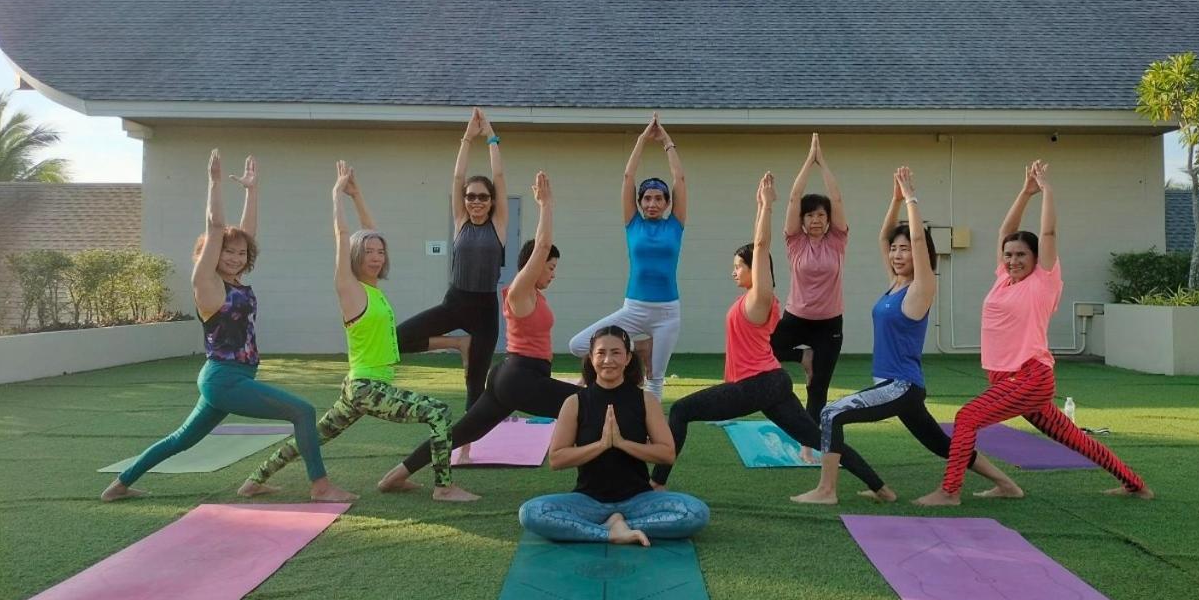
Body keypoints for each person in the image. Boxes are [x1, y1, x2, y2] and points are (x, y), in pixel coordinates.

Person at [102, 151, 355, 503]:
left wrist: (253, 191)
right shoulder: (207, 283)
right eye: (227, 252)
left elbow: (244, 235)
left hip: (231, 378)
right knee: (304, 411)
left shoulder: (235, 279)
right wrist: (215, 183)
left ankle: (119, 485)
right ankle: (321, 486)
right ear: (210, 255)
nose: (236, 257)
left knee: (183, 439)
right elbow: (216, 227)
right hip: (225, 378)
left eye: (240, 254)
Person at [915, 161, 1153, 506]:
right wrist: (1025, 192)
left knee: (967, 417)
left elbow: (1050, 234)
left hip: (1029, 376)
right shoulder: (1003, 279)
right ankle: (1135, 484)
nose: (1012, 260)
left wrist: (1047, 191)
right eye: (1009, 255)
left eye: (1021, 255)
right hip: (1006, 379)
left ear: (1037, 258)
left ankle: (949, 492)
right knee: (1072, 437)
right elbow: (1004, 231)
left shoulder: (1043, 281)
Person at [238, 161, 477, 502]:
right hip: (368, 387)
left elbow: (371, 230)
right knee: (438, 411)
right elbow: (343, 236)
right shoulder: (349, 289)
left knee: (317, 435)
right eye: (368, 252)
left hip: (361, 386)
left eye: (381, 252)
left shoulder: (374, 289)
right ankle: (443, 486)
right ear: (354, 256)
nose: (377, 257)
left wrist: (357, 194)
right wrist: (336, 195)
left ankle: (255, 479)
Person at [649, 172, 892, 500]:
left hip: (757, 383)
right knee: (816, 436)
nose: (733, 271)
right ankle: (881, 488)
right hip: (770, 383)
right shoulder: (748, 299)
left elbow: (761, 245)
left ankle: (656, 483)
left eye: (739, 265)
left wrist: (765, 207)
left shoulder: (759, 299)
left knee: (680, 411)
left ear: (756, 270)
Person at [792, 166, 1022, 505]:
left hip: (900, 386)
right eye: (895, 251)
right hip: (898, 386)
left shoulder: (921, 286)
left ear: (920, 255)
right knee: (940, 444)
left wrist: (912, 199)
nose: (898, 255)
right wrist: (895, 200)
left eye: (905, 250)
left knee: (831, 413)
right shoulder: (896, 284)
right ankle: (1007, 485)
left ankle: (826, 490)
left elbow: (916, 240)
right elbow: (884, 237)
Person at [380, 170, 579, 490]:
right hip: (522, 377)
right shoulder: (519, 291)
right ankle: (605, 484)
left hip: (510, 377)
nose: (553, 274)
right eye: (551, 268)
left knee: (464, 431)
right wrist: (546, 205)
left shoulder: (535, 295)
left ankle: (397, 475)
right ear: (535, 265)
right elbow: (542, 246)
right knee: (589, 406)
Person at [519, 326, 709, 546]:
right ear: (591, 358)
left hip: (639, 499)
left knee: (696, 512)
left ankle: (618, 524)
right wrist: (601, 445)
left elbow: (667, 453)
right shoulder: (575, 402)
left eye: (616, 352)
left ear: (628, 358)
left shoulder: (645, 400)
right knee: (531, 512)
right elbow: (557, 458)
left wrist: (622, 443)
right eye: (601, 353)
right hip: (588, 501)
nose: (608, 359)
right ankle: (610, 532)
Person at [396, 107, 508, 414]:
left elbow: (497, 175)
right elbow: (458, 176)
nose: (475, 202)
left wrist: (491, 137)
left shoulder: (497, 225)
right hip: (455, 302)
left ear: (492, 201)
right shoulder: (461, 220)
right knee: (399, 339)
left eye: (482, 197)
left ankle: (468, 447)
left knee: (475, 383)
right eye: (470, 196)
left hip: (485, 310)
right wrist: (467, 138)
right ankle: (458, 344)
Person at [568, 114, 686, 401]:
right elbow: (628, 177)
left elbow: (679, 179)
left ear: (667, 203)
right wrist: (642, 140)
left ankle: (652, 435)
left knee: (655, 378)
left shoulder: (675, 225)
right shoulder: (633, 223)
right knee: (579, 345)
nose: (653, 203)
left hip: (667, 313)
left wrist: (667, 142)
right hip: (633, 308)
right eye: (647, 198)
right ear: (640, 202)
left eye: (659, 198)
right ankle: (634, 352)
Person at [772, 133, 849, 461]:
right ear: (802, 221)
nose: (816, 220)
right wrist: (809, 160)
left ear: (828, 219)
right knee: (771, 348)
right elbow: (793, 198)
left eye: (821, 215)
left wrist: (824, 163)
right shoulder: (795, 242)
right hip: (796, 318)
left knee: (818, 387)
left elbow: (838, 199)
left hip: (828, 323)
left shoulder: (837, 240)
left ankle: (807, 443)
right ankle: (803, 357)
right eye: (810, 216)